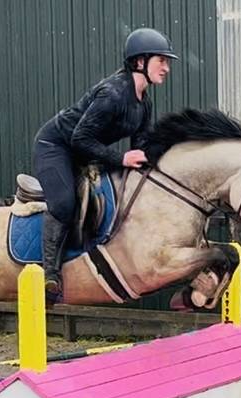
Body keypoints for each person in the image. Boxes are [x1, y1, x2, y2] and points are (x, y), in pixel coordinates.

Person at [33, 27, 177, 305]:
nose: (167, 68)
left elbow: (142, 145)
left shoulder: (143, 103)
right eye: (162, 61)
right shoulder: (112, 94)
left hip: (87, 152)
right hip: (56, 147)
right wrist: (122, 159)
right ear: (139, 62)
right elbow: (79, 138)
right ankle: (48, 274)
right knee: (64, 204)